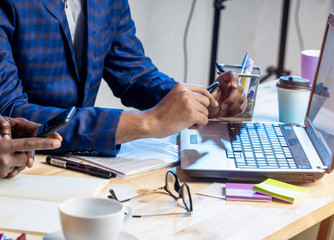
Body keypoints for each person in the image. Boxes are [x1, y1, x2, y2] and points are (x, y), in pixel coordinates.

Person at [0, 0, 247, 157]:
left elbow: (133, 74)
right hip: (20, 166)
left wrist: (198, 103)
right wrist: (147, 123)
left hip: (85, 160)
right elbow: (8, 111)